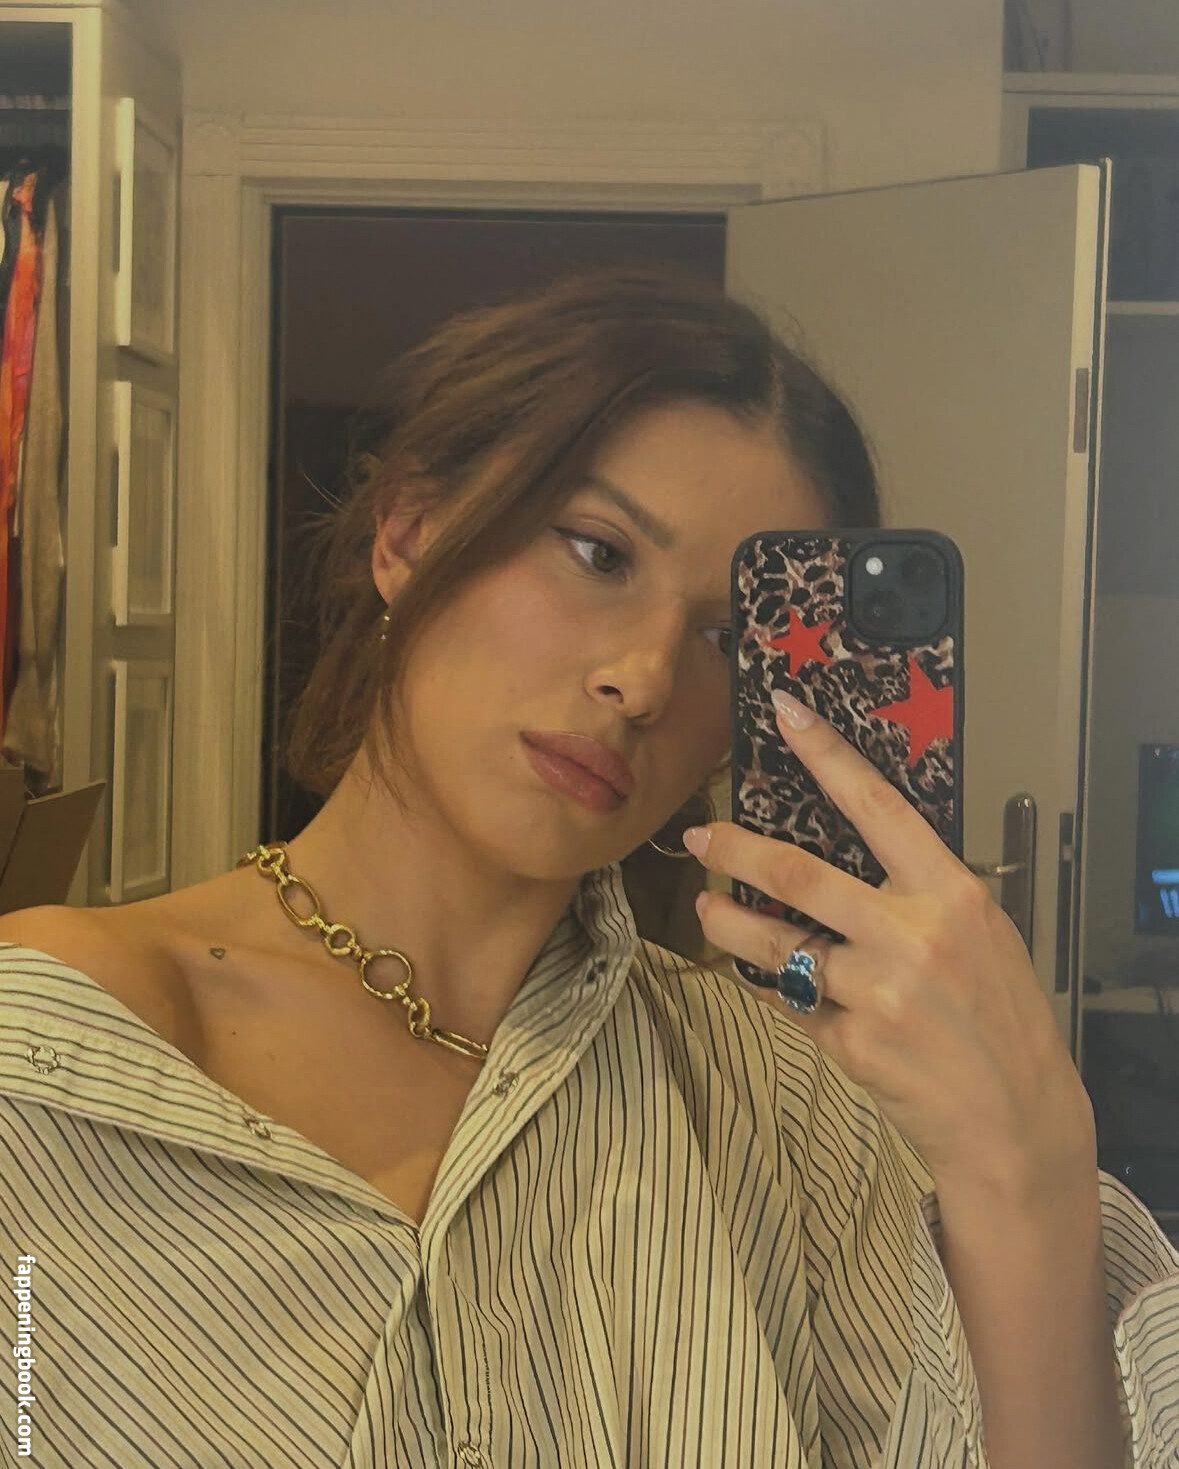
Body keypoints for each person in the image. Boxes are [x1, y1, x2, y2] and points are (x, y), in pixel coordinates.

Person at [0, 270, 1175, 1469]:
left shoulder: (786, 1113)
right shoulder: (52, 1055)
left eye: (725, 636)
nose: (646, 676)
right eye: (598, 551)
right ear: (408, 533)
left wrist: (1029, 1162)